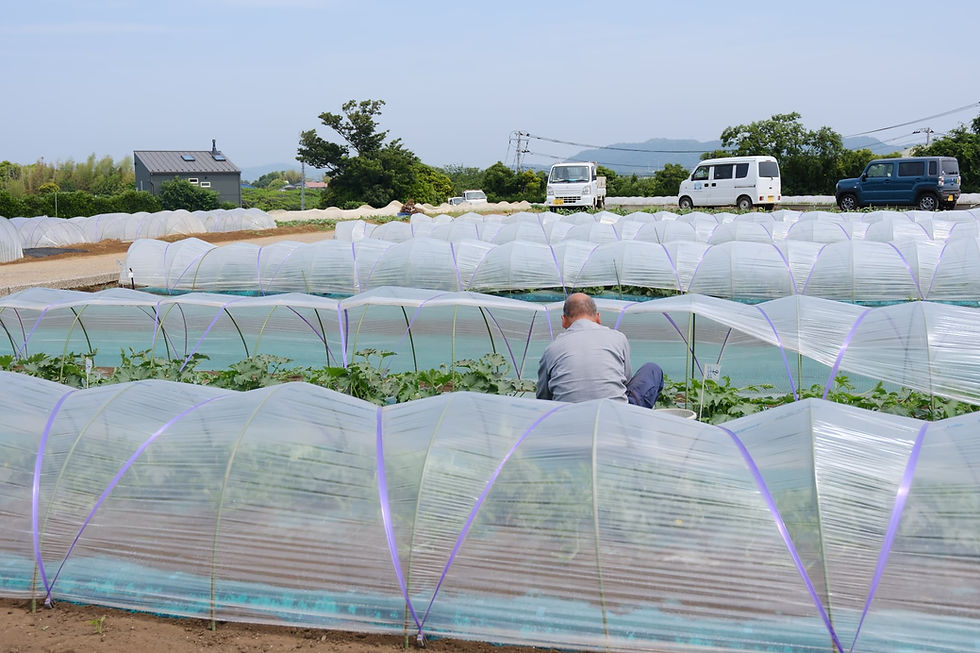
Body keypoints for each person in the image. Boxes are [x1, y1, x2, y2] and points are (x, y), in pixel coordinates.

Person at [536, 293, 664, 407]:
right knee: (652, 369)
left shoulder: (551, 349)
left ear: (564, 321)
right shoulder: (618, 338)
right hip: (617, 414)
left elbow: (543, 398)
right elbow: (626, 380)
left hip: (568, 416)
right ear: (598, 317)